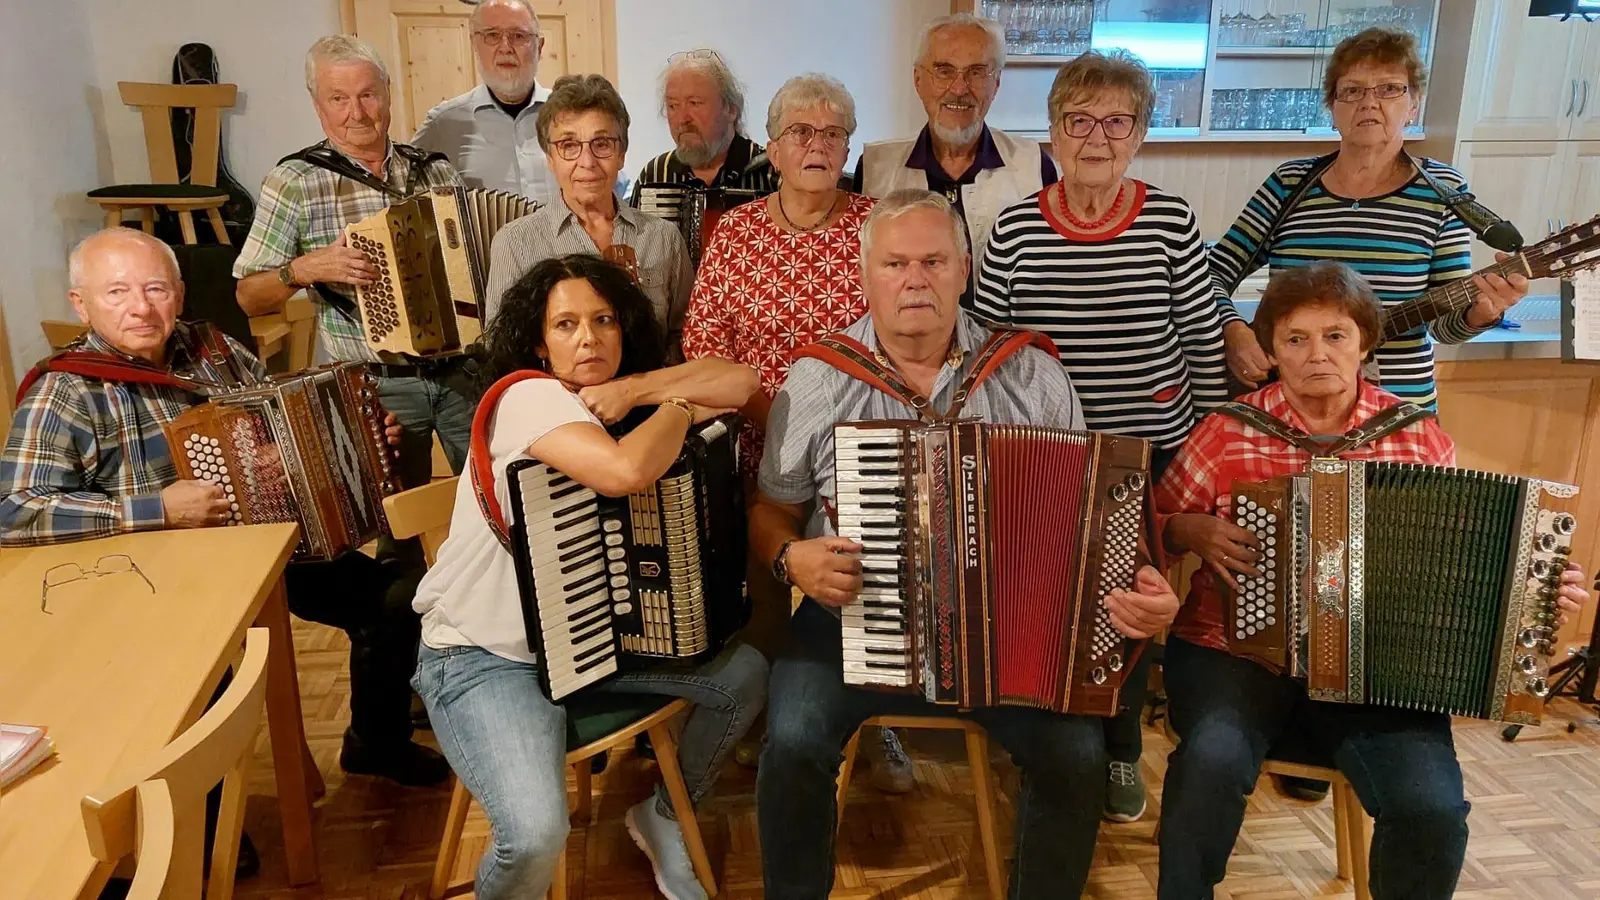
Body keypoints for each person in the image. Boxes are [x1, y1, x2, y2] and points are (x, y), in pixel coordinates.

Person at [752, 189, 1183, 899]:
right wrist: (789, 556)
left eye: (932, 260)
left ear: (963, 269)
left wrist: (1139, 593)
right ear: (865, 277)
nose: (914, 279)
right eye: (894, 263)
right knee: (792, 741)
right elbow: (773, 507)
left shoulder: (1032, 372)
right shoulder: (818, 380)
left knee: (1075, 754)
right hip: (850, 623)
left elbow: (1086, 520)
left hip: (1005, 634)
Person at [1152, 259, 1590, 900]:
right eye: (1295, 339)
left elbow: (1469, 557)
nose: (1315, 355)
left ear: (1364, 342)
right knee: (1208, 768)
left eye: (1335, 335)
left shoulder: (1415, 438)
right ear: (1271, 348)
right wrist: (1185, 531)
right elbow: (1153, 521)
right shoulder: (1227, 431)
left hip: (1382, 668)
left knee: (1432, 810)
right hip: (1233, 655)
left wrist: (1540, 581)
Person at [1, 229, 450, 792]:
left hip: (261, 546)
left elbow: (280, 423)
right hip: (152, 579)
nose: (141, 307)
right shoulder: (64, 391)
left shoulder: (211, 348)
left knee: (396, 602)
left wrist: (359, 437)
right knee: (196, 677)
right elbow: (14, 510)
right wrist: (154, 508)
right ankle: (204, 821)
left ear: (180, 294)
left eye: (155, 289)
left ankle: (374, 742)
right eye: (116, 292)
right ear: (81, 304)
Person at [411, 253, 766, 900]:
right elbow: (625, 473)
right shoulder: (526, 395)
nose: (589, 338)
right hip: (485, 657)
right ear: (539, 344)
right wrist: (680, 403)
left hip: (590, 640)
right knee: (537, 834)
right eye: (566, 324)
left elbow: (742, 382)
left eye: (604, 320)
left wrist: (638, 388)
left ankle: (660, 815)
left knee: (745, 677)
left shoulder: (619, 395)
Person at [970, 49, 1228, 821]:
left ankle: (1118, 750)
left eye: (1117, 120)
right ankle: (1051, 742)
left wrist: (1203, 460)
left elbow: (1205, 346)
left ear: (1141, 133)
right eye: (1078, 119)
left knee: (1130, 606)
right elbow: (985, 347)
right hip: (1046, 458)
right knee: (1051, 601)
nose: (1096, 136)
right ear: (1051, 132)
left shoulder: (1171, 222)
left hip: (1150, 455)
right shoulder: (1016, 229)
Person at [679, 72, 908, 788]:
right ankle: (782, 709)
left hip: (862, 449)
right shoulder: (737, 235)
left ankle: (876, 722)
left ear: (847, 146)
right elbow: (705, 348)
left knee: (873, 585)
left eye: (833, 132)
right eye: (801, 133)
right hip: (757, 444)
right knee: (767, 586)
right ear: (772, 149)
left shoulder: (879, 228)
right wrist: (780, 419)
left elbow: (905, 339)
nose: (817, 144)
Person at [1211, 27, 1529, 414]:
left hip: (1396, 411)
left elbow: (1444, 327)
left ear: (1414, 104)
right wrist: (1235, 332)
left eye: (1389, 89)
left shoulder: (1443, 190)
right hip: (1287, 406)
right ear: (1332, 108)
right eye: (1352, 90)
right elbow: (1210, 274)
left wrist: (1484, 310)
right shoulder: (1289, 183)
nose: (1369, 103)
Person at [234, 35, 474, 500]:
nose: (357, 113)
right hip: (379, 386)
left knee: (492, 507)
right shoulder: (295, 181)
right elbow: (248, 295)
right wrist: (302, 269)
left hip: (462, 373)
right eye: (338, 99)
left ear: (387, 92)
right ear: (317, 103)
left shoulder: (436, 171)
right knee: (395, 523)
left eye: (367, 94)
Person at [854, 13, 1058, 304]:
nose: (960, 88)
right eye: (944, 71)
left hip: (1005, 342)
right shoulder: (875, 168)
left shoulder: (1034, 166)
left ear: (996, 83)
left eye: (976, 72)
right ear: (918, 80)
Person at [482, 74, 692, 356]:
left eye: (602, 143)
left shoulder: (663, 238)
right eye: (569, 146)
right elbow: (502, 351)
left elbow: (686, 336)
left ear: (621, 154)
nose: (587, 162)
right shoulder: (515, 243)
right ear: (549, 158)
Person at [411, 0, 559, 204]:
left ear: (539, 47)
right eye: (492, 35)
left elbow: (615, 188)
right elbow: (404, 190)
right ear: (474, 44)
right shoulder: (443, 124)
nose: (506, 47)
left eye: (518, 36)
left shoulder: (571, 114)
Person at [629, 48, 778, 207]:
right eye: (673, 106)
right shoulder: (655, 177)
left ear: (731, 109)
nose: (682, 119)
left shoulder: (770, 174)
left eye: (694, 103)